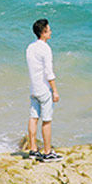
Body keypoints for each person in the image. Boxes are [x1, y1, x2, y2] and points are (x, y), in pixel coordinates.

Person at [26, 18, 61, 162]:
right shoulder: (45, 48)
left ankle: (33, 149)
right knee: (46, 120)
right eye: (49, 29)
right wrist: (55, 90)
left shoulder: (30, 47)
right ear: (43, 32)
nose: (51, 31)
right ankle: (47, 152)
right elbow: (49, 72)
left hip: (33, 88)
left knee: (33, 117)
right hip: (44, 89)